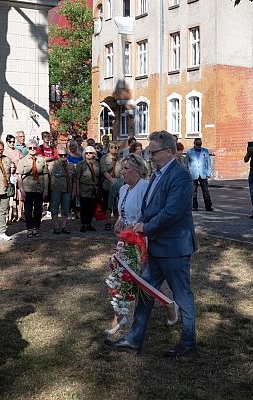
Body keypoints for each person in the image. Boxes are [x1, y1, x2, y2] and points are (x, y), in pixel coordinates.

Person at [104, 131, 197, 357]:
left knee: (182, 295)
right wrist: (141, 223)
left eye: (154, 152)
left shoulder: (180, 176)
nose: (150, 157)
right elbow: (151, 208)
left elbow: (172, 212)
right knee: (145, 292)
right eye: (149, 152)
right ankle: (134, 339)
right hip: (155, 247)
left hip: (174, 248)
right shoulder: (157, 175)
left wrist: (146, 227)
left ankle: (188, 341)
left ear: (169, 151)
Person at [106, 153, 150, 335]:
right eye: (121, 168)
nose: (122, 172)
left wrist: (134, 225)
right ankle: (121, 315)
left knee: (139, 278)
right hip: (125, 239)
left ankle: (169, 305)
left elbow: (147, 213)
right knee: (120, 275)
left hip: (140, 240)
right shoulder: (124, 189)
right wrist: (119, 221)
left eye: (126, 169)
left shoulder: (145, 187)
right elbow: (123, 213)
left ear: (138, 170)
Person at [17, 140, 47, 238]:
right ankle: (29, 228)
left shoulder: (42, 160)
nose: (32, 150)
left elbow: (46, 175)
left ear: (37, 148)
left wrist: (46, 189)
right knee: (28, 209)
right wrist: (21, 190)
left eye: (34, 148)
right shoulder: (23, 160)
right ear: (27, 148)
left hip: (39, 187)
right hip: (27, 188)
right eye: (30, 148)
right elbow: (19, 176)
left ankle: (36, 228)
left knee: (38, 209)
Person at [48, 147, 76, 234]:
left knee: (66, 209)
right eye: (61, 155)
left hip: (67, 189)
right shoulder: (53, 165)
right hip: (56, 189)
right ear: (58, 156)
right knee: (54, 208)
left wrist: (74, 191)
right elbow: (48, 177)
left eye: (65, 155)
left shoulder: (71, 165)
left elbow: (74, 180)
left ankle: (64, 226)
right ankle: (56, 226)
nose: (63, 156)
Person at [76, 146, 100, 232]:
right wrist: (77, 190)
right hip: (84, 188)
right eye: (87, 153)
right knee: (84, 207)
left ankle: (89, 224)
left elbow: (99, 176)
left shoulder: (97, 164)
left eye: (91, 153)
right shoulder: (80, 165)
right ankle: (83, 224)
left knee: (91, 207)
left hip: (94, 189)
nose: (89, 154)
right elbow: (77, 178)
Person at [187, 138, 214, 212]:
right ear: (194, 144)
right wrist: (188, 173)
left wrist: (208, 173)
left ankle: (208, 206)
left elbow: (208, 163)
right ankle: (194, 206)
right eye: (197, 144)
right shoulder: (189, 152)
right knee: (193, 191)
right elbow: (187, 163)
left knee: (206, 191)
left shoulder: (205, 151)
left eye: (200, 144)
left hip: (203, 174)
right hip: (193, 174)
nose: (199, 146)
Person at [100, 142, 122, 231]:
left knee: (117, 204)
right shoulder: (104, 158)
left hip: (118, 183)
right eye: (113, 147)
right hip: (108, 184)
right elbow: (104, 171)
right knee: (108, 205)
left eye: (117, 147)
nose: (116, 149)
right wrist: (111, 180)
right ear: (109, 148)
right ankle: (108, 222)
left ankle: (116, 223)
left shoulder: (120, 159)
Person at [3, 134, 24, 222]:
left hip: (17, 175)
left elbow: (23, 162)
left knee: (20, 196)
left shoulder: (18, 151)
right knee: (9, 196)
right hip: (7, 176)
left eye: (13, 142)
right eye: (10, 142)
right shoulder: (4, 152)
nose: (12, 143)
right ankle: (9, 216)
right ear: (7, 142)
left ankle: (20, 215)